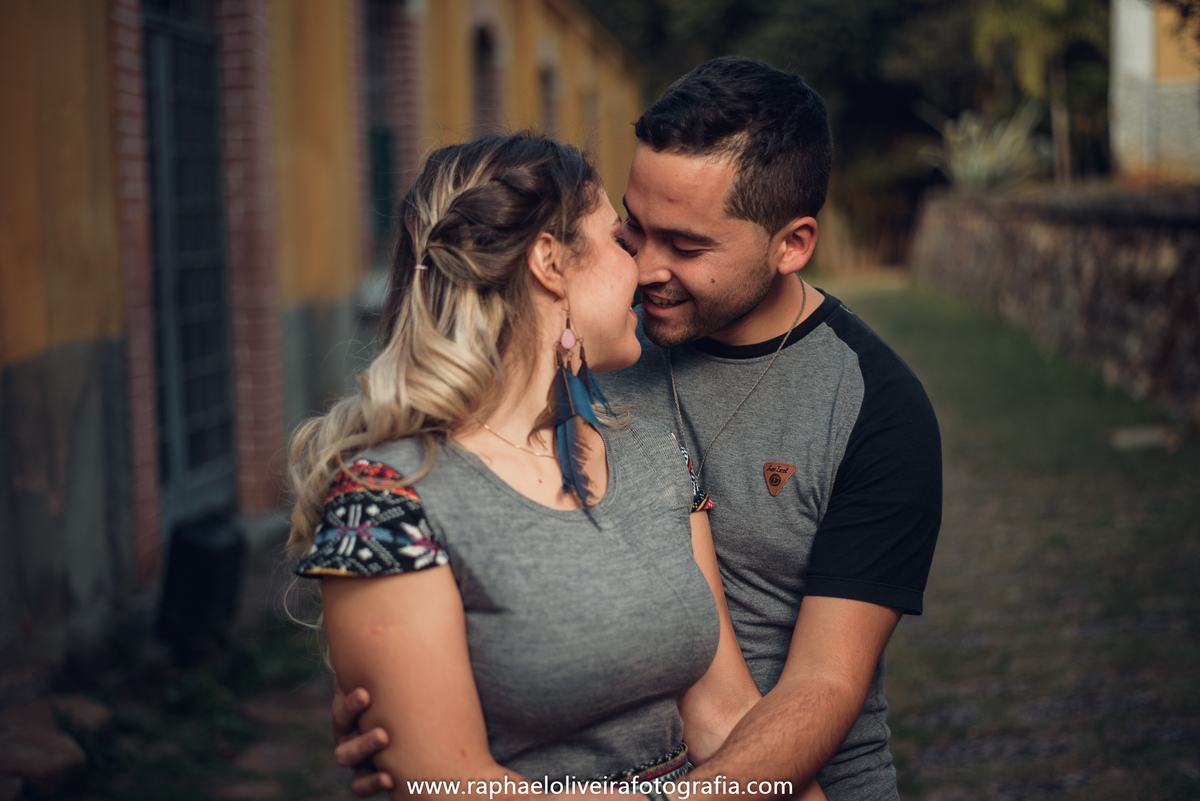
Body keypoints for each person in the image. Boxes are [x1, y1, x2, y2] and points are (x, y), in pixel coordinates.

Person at [335, 58, 941, 801]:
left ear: (792, 244)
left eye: (685, 246)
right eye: (629, 231)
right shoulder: (584, 365)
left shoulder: (871, 409)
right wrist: (417, 720)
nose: (647, 267)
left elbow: (807, 686)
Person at [288, 132, 825, 800]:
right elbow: (452, 785)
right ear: (549, 259)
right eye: (620, 243)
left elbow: (725, 715)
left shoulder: (658, 455)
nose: (644, 271)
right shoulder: (386, 501)